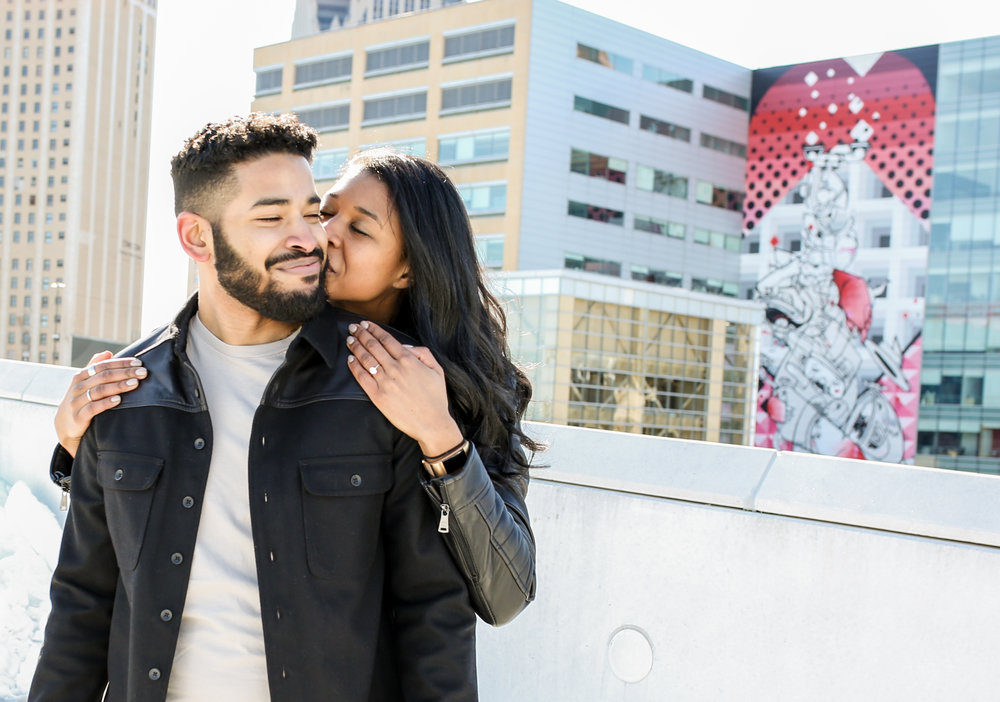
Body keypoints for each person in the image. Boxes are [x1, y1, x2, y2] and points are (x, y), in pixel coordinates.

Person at [30, 114, 477, 702]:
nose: (309, 237)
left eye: (311, 212)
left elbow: (432, 614)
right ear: (197, 238)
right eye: (271, 217)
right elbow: (82, 606)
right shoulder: (120, 397)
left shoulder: (381, 384)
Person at [50, 148, 538, 626]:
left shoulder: (464, 387)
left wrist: (440, 437)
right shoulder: (269, 344)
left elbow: (506, 596)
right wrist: (81, 449)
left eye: (360, 228)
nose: (323, 235)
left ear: (408, 268)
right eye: (324, 212)